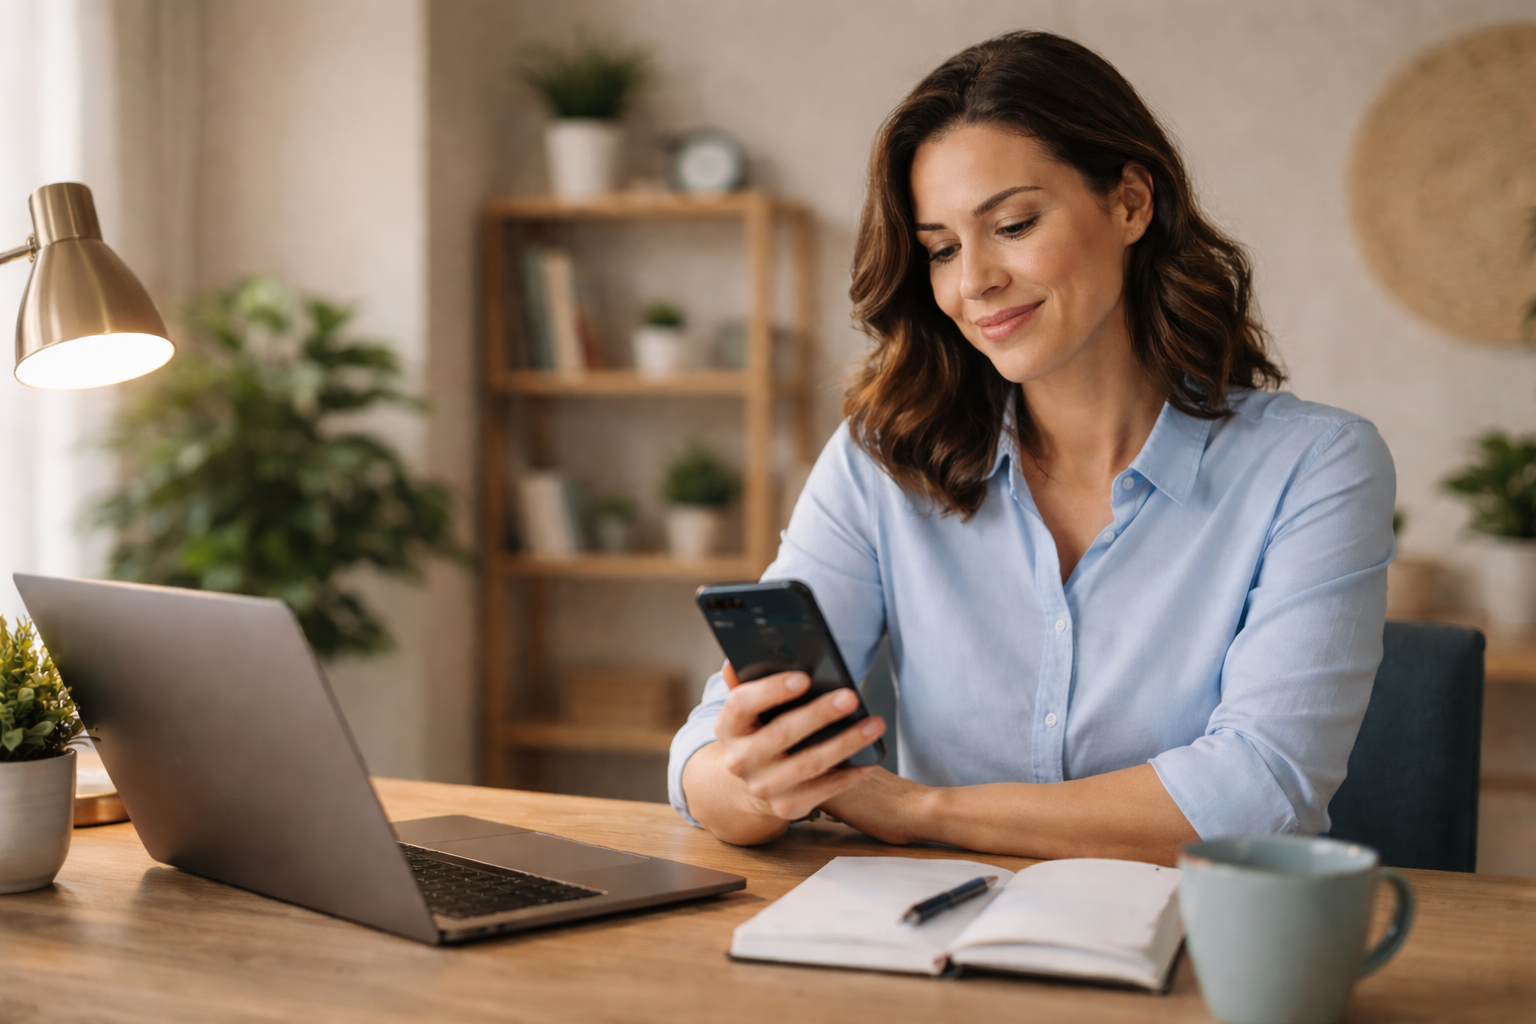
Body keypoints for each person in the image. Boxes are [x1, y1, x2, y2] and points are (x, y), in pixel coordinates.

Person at [667, 31, 1394, 866]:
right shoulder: (884, 458)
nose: (973, 281)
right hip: (935, 956)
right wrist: (755, 785)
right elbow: (702, 756)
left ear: (1129, 203)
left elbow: (1260, 797)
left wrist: (915, 808)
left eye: (1011, 224)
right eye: (941, 249)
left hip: (1198, 959)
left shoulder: (1315, 467)